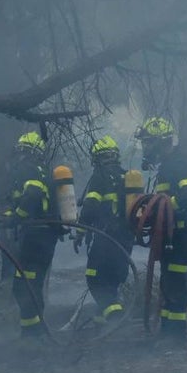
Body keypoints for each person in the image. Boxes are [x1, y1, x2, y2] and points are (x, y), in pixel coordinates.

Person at [135, 117, 187, 340]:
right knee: (168, 280)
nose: (146, 148)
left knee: (174, 280)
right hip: (172, 233)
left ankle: (175, 334)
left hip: (182, 233)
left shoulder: (180, 164)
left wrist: (162, 207)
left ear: (161, 142)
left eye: (148, 142)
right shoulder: (168, 166)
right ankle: (168, 330)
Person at [1, 131, 60, 339]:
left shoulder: (27, 169)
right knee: (30, 284)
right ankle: (33, 331)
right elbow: (20, 198)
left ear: (26, 152)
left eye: (21, 151)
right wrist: (9, 215)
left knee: (24, 286)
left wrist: (16, 217)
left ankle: (33, 334)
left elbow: (32, 196)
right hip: (44, 237)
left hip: (35, 237)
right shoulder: (43, 171)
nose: (19, 156)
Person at [76, 136, 133, 323]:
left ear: (96, 158)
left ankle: (114, 315)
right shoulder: (127, 176)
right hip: (126, 239)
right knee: (113, 278)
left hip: (105, 237)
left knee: (94, 277)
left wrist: (80, 231)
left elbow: (91, 206)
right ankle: (109, 314)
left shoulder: (99, 176)